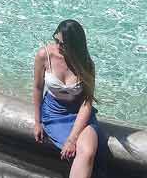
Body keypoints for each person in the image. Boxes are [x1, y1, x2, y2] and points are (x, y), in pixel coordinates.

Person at [33, 19, 103, 178]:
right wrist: (37, 122)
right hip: (54, 113)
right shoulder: (44, 55)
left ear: (75, 46)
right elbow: (37, 88)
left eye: (63, 44)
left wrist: (72, 139)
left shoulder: (86, 64)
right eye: (56, 40)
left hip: (80, 113)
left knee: (88, 152)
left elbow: (87, 102)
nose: (57, 46)